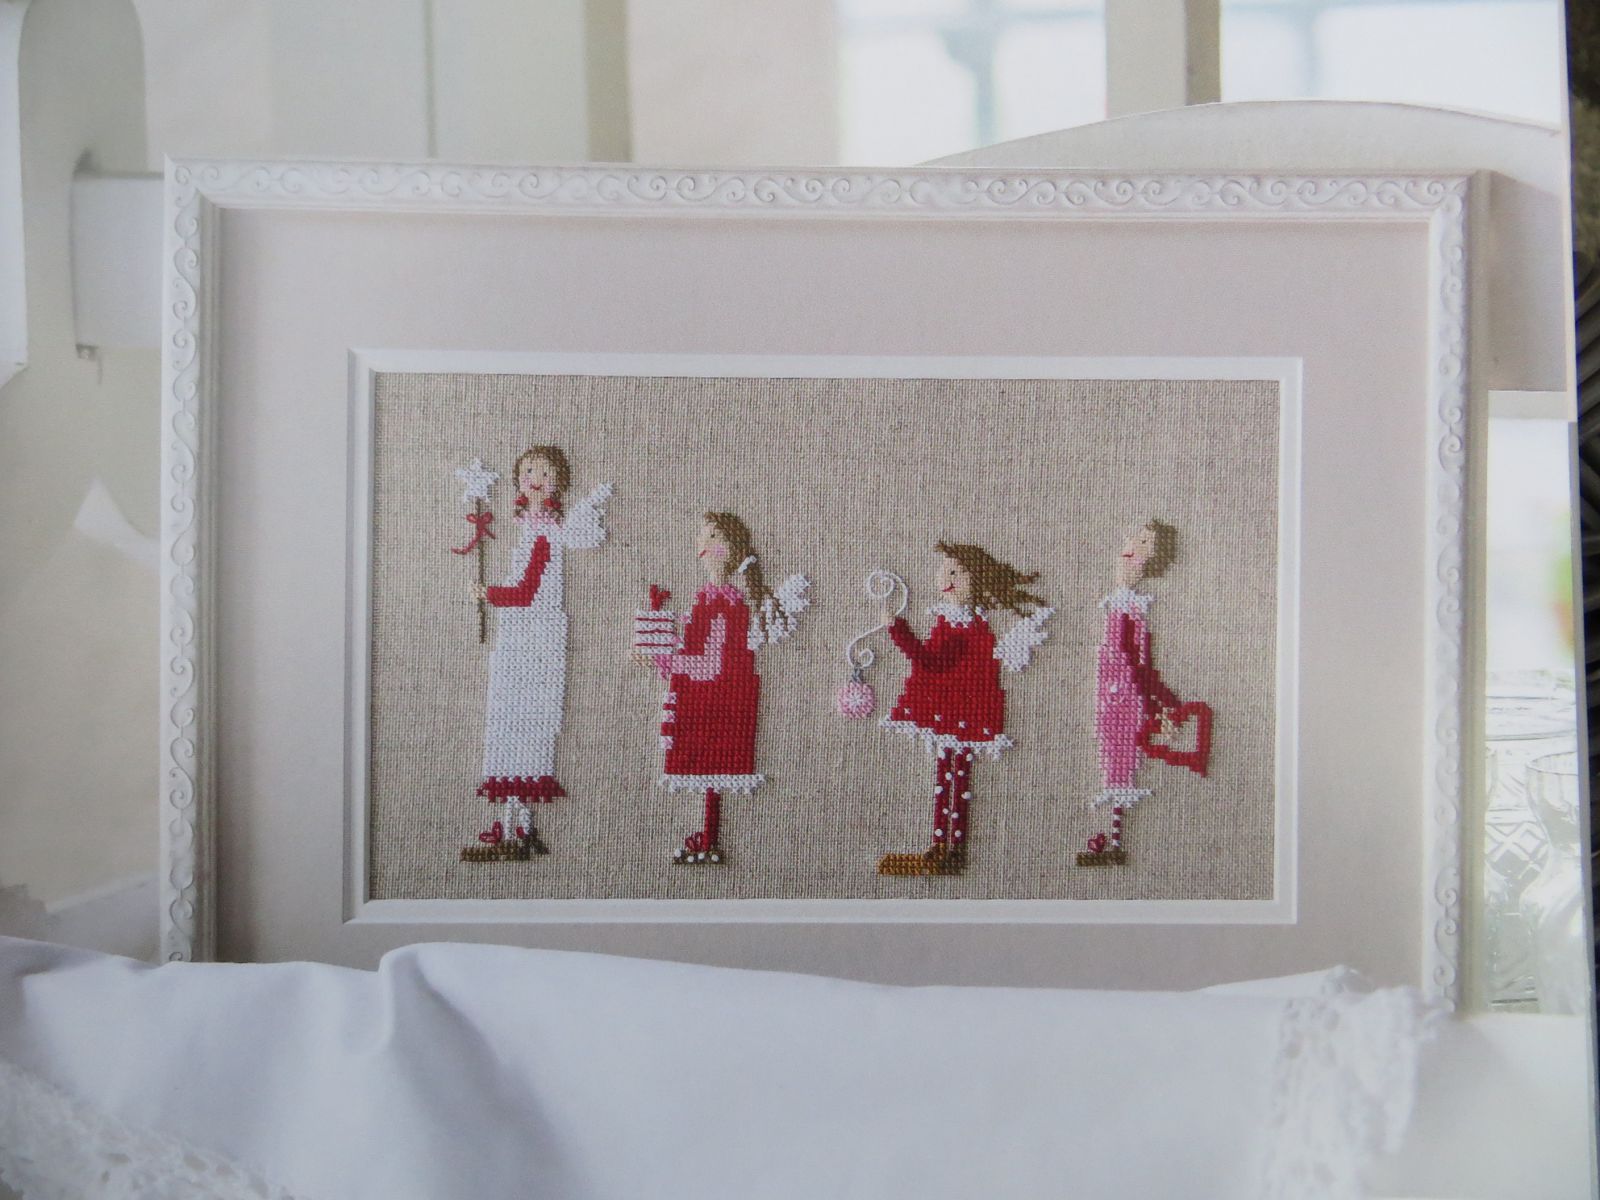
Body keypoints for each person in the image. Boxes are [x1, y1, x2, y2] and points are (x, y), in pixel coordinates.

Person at [461, 446, 610, 862]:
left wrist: (487, 593)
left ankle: (517, 829)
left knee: (519, 728)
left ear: (558, 482)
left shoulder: (544, 533)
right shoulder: (533, 528)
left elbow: (526, 592)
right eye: (528, 470)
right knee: (517, 729)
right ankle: (518, 828)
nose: (536, 478)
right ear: (518, 480)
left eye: (545, 472)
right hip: (525, 637)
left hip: (533, 640)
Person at [876, 541, 1052, 877]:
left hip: (958, 714)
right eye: (945, 571)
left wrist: (897, 629)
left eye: (956, 572)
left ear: (975, 579)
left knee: (951, 775)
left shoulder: (962, 626)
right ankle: (946, 848)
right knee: (954, 775)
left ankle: (945, 849)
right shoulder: (965, 622)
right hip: (960, 713)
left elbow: (931, 661)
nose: (946, 578)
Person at [647, 512, 808, 865]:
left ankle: (710, 836)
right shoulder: (711, 598)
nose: (702, 544)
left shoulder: (724, 603)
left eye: (713, 538)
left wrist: (668, 660)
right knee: (711, 772)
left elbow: (711, 663)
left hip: (718, 703)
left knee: (713, 767)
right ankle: (709, 836)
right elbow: (700, 650)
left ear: (733, 550)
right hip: (709, 699)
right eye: (702, 537)